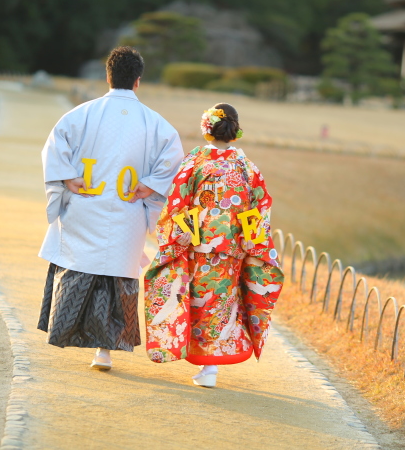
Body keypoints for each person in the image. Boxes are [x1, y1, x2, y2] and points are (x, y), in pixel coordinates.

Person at [37, 46, 184, 370]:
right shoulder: (157, 124)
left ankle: (70, 330)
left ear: (108, 76)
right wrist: (151, 185)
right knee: (116, 277)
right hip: (127, 210)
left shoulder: (80, 114)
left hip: (85, 206)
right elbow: (173, 160)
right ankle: (105, 349)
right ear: (137, 82)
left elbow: (54, 146)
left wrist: (68, 177)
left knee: (81, 269)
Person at [144, 103, 284, 388]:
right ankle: (210, 368)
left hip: (198, 246)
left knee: (197, 301)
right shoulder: (247, 167)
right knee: (221, 303)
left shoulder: (195, 160)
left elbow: (178, 200)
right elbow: (260, 209)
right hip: (232, 250)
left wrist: (183, 236)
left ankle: (205, 365)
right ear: (235, 131)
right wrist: (249, 244)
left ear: (207, 129)